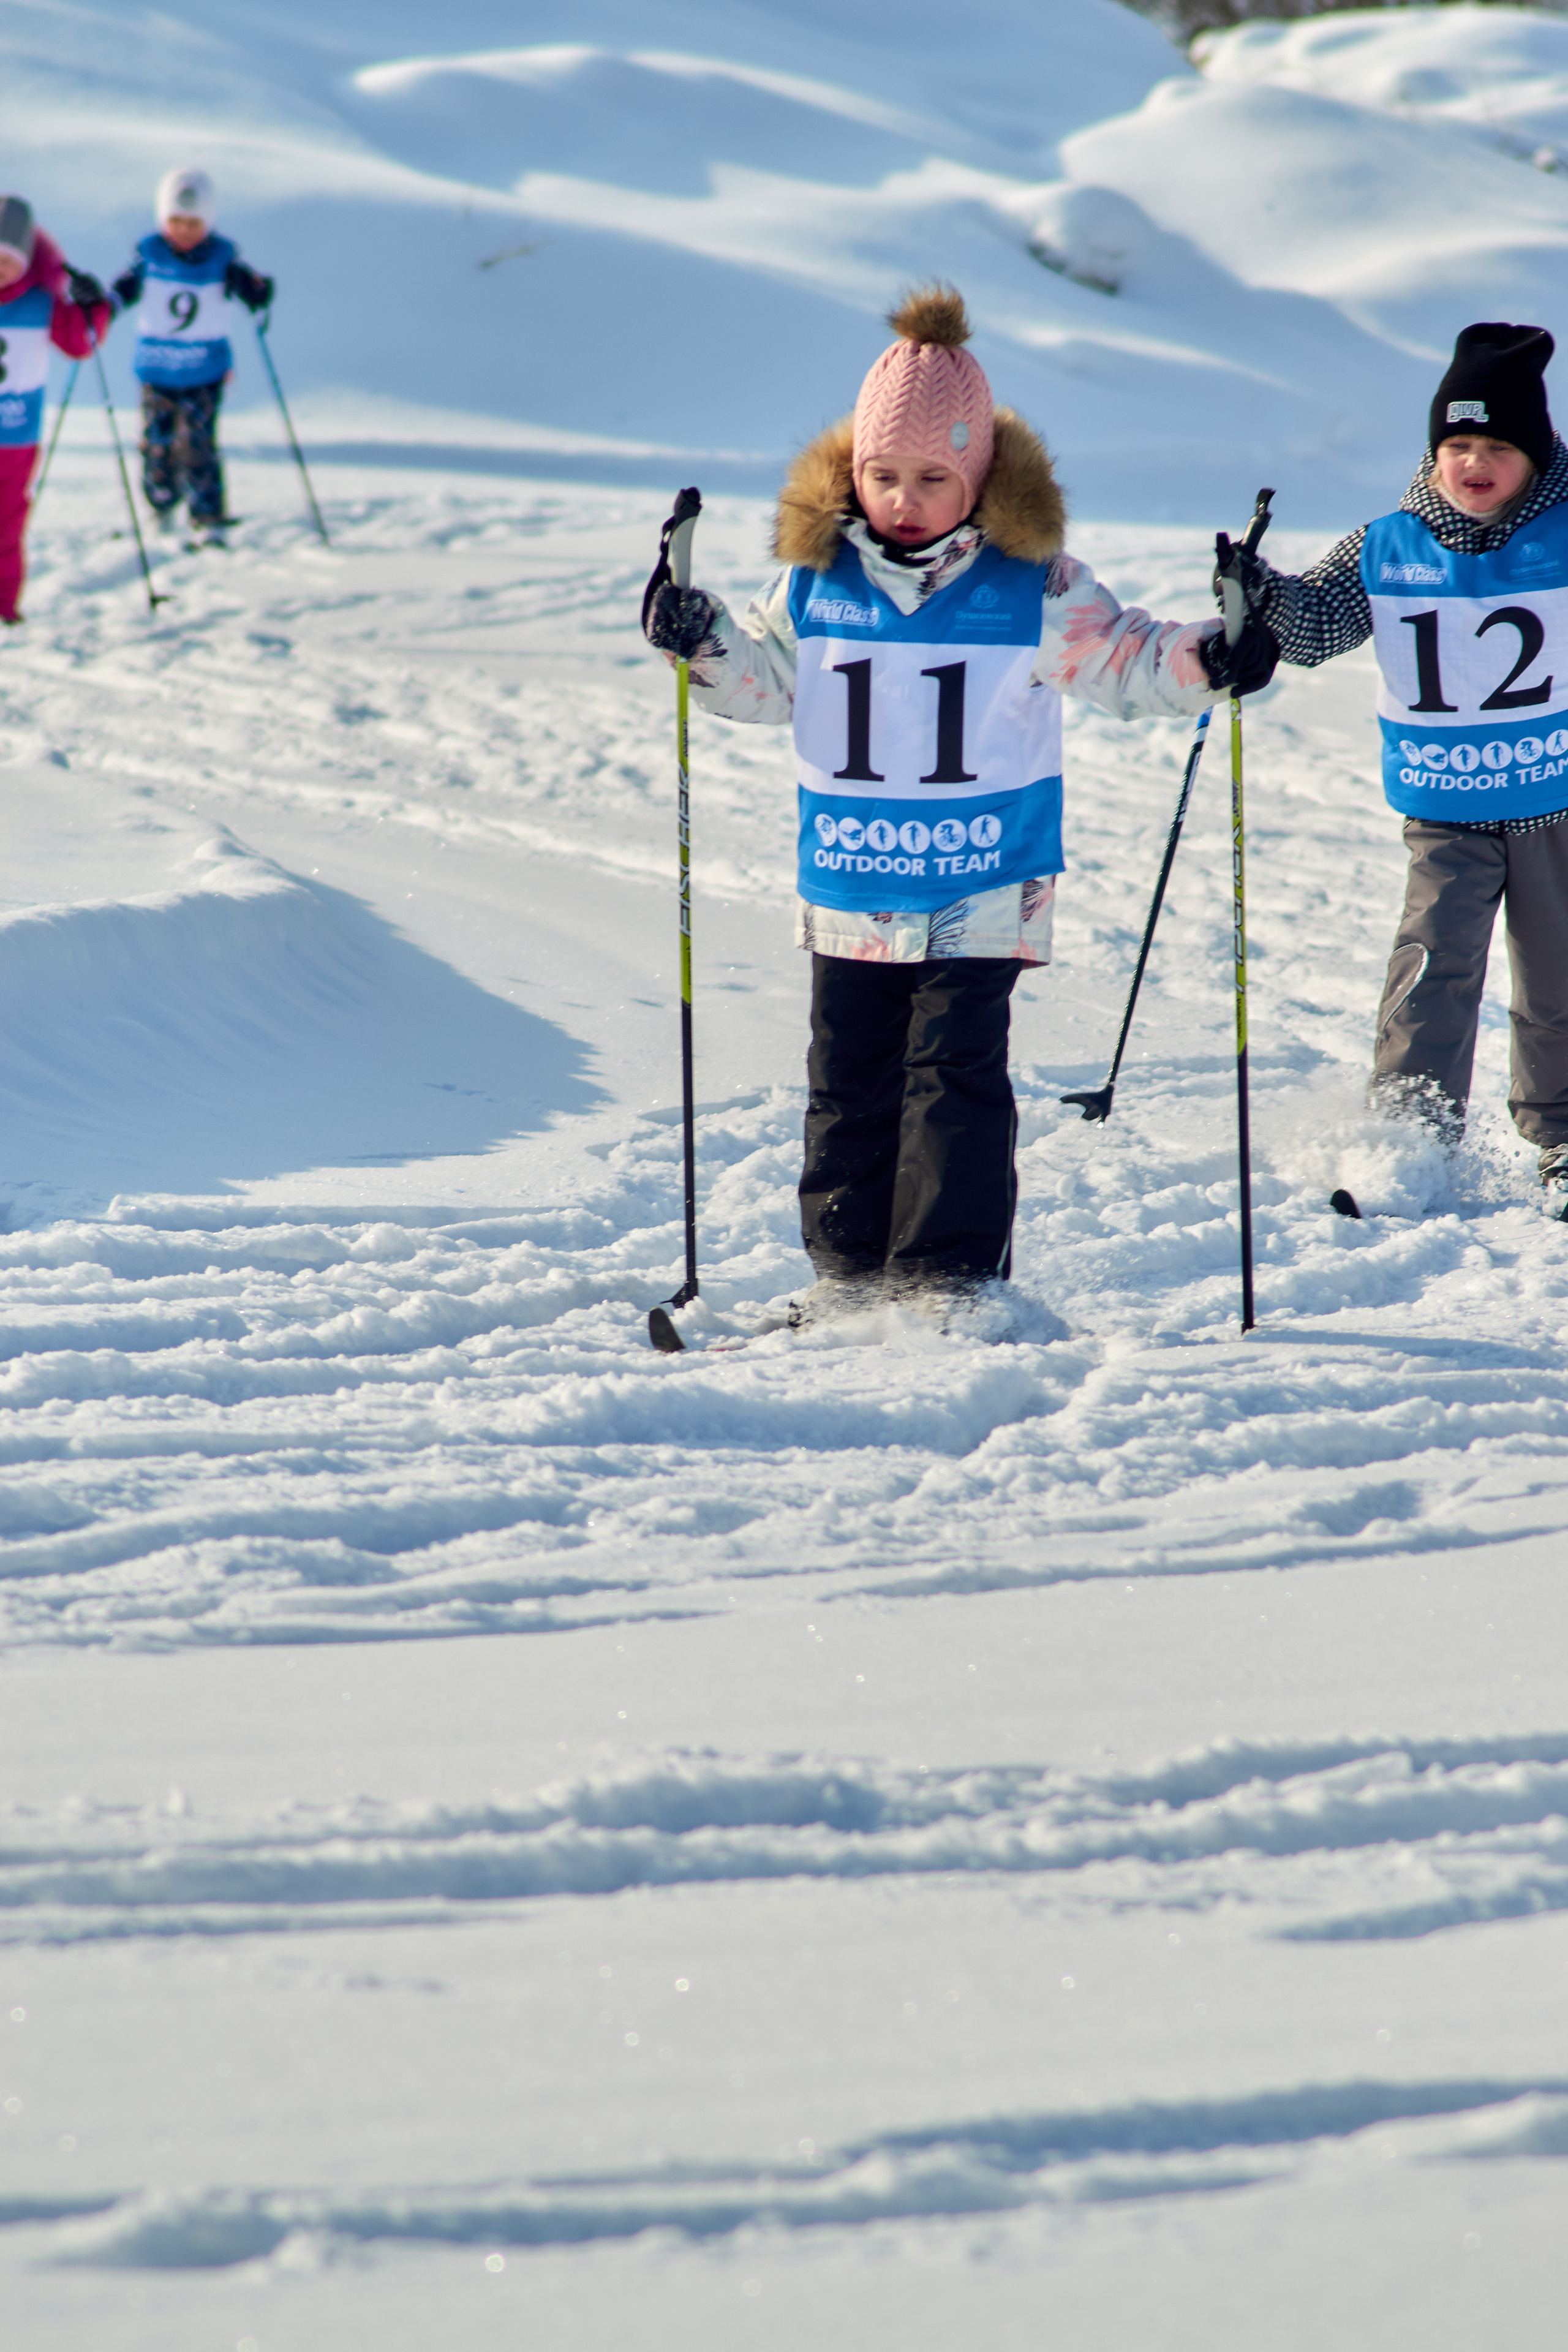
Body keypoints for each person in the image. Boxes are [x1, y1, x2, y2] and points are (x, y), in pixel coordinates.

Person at [642, 285, 1276, 1324]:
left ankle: (947, 1282)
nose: (903, 497)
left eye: (933, 476)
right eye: (883, 475)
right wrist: (698, 634)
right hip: (850, 881)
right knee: (848, 1081)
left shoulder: (1032, 585)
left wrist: (1212, 655)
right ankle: (849, 1274)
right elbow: (760, 683)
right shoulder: (816, 581)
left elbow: (1122, 661)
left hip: (984, 882)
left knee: (955, 1080)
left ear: (977, 476)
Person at [1232, 323, 1568, 1216]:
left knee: (1559, 980)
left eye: (1498, 446)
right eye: (1458, 445)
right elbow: (1313, 628)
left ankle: (1564, 1139)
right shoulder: (1391, 544)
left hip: (1555, 802)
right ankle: (1409, 1142)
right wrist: (1260, 597)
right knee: (1430, 974)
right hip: (1447, 809)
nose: (1476, 463)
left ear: (1536, 455)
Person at [110, 167, 273, 547]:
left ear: (209, 221)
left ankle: (208, 516)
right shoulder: (148, 254)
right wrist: (104, 305)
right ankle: (162, 506)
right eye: (176, 221)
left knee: (198, 443)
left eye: (194, 223)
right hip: (157, 369)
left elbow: (251, 290)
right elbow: (124, 289)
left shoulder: (222, 259)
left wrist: (258, 292)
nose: (184, 230)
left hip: (204, 371)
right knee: (157, 443)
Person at [0, 195, 108, 626]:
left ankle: (3, 606)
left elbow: (80, 342)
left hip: (16, 437)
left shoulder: (41, 303)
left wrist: (92, 305)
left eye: (9, 259)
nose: (0, 269)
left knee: (6, 526)